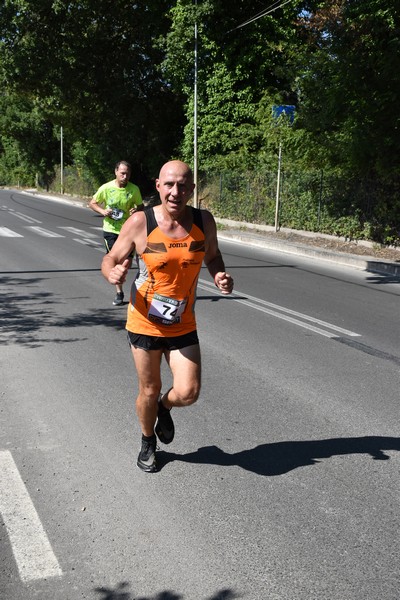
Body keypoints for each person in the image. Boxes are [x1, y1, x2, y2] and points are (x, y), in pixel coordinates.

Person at [101, 160, 234, 472]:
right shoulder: (140, 222)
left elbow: (212, 256)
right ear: (158, 185)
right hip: (144, 320)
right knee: (148, 388)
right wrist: (112, 273)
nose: (176, 191)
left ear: (191, 189)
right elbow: (110, 258)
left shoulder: (203, 221)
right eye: (169, 184)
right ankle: (148, 440)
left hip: (182, 321)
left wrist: (219, 275)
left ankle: (165, 406)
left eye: (183, 185)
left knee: (188, 391)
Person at [90, 160, 143, 305]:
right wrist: (103, 211)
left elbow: (140, 206)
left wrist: (136, 210)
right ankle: (119, 292)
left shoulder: (134, 189)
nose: (125, 177)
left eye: (128, 174)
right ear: (116, 172)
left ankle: (123, 282)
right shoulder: (106, 188)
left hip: (128, 231)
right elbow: (92, 203)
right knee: (116, 261)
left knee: (127, 262)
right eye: (122, 173)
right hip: (111, 230)